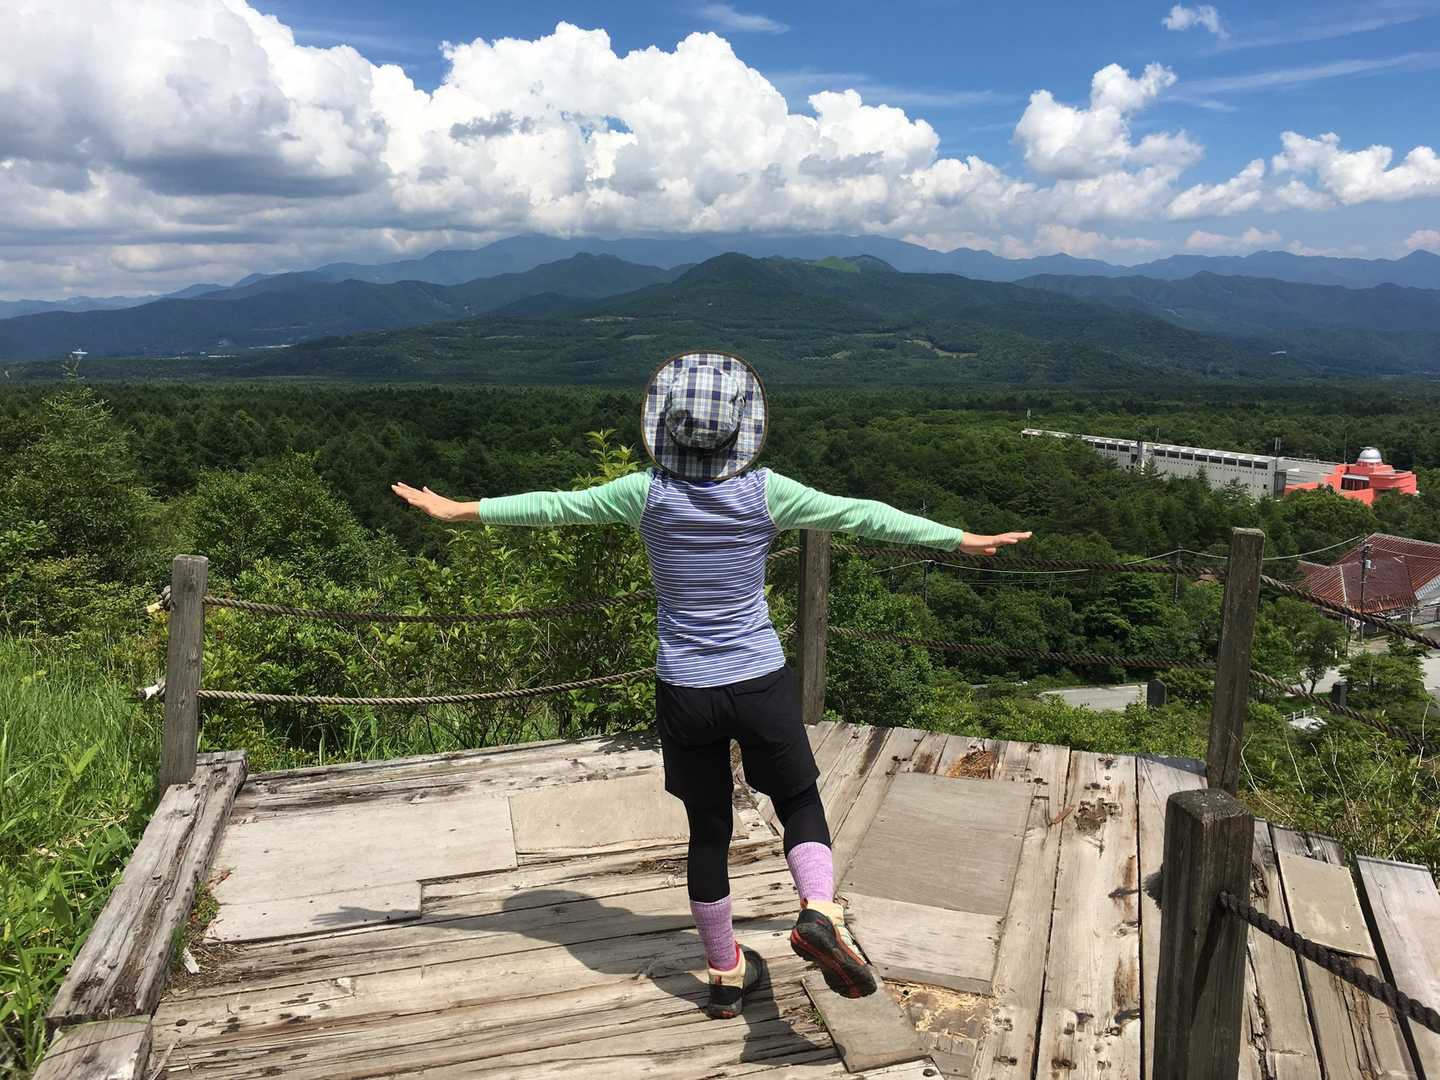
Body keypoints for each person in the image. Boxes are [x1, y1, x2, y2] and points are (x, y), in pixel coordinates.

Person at [393, 351, 1031, 1020]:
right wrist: (958, 538)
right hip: (757, 679)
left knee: (707, 828)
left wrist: (458, 509)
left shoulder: (643, 494)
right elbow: (862, 515)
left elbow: (555, 507)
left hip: (685, 689)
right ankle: (819, 911)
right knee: (797, 798)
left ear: (667, 429)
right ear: (740, 432)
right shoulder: (768, 493)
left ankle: (725, 975)